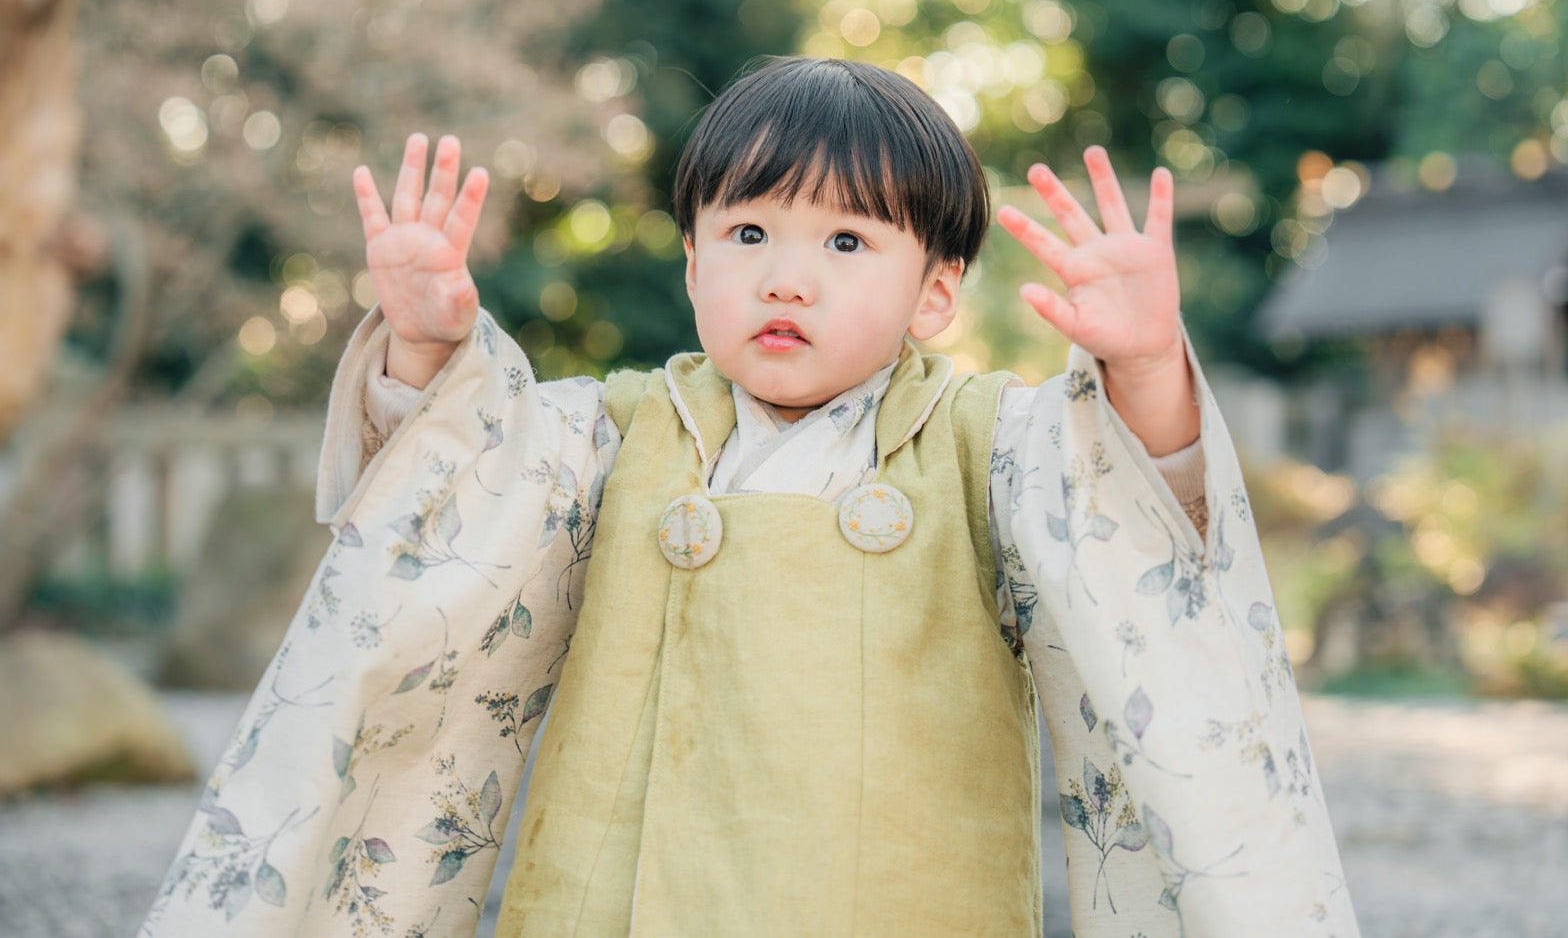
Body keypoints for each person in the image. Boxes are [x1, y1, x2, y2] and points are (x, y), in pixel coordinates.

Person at [142, 57, 1358, 936]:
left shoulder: (982, 444)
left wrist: (1143, 363)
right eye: (747, 232)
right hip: (615, 898)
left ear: (934, 293)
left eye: (845, 244)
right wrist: (424, 346)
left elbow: (1132, 519)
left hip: (897, 900)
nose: (786, 276)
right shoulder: (611, 432)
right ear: (688, 262)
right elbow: (458, 489)